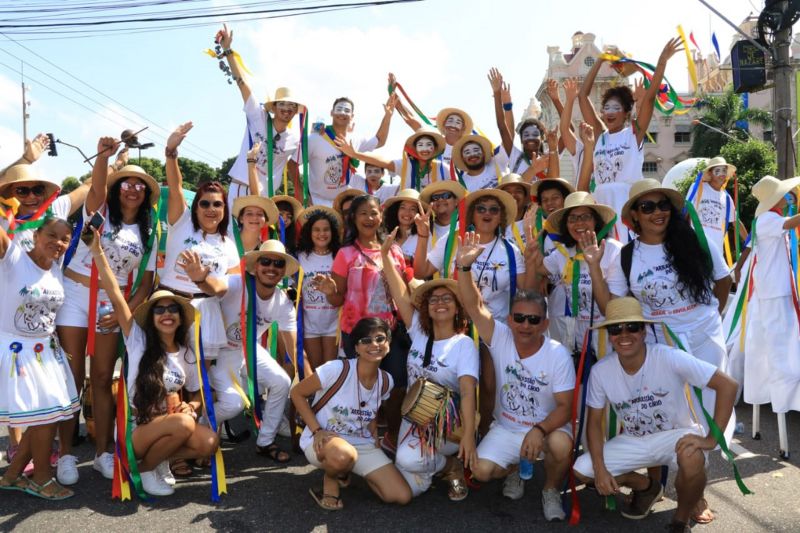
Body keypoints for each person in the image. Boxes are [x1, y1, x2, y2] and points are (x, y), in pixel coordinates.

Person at [584, 178, 733, 523]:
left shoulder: (696, 240)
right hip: (659, 341)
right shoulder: (627, 256)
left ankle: (693, 492)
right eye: (647, 207)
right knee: (665, 414)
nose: (657, 213)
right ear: (634, 215)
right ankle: (661, 485)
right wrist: (594, 268)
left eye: (662, 205)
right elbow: (613, 308)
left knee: (702, 414)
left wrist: (711, 314)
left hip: (702, 338)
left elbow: (723, 279)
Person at [573, 297, 737, 532]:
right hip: (634, 440)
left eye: (632, 327)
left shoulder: (668, 356)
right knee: (583, 470)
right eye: (616, 329)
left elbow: (728, 386)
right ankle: (646, 486)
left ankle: (679, 521)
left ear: (644, 331)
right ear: (609, 336)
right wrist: (600, 468)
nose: (624, 334)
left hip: (676, 435)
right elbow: (594, 423)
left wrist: (711, 439)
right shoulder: (601, 371)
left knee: (692, 458)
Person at [56, 137, 159, 485]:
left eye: (140, 185)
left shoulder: (149, 231)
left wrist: (124, 312)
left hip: (109, 303)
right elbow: (97, 185)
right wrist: (103, 157)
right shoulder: (98, 210)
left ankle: (101, 452)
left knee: (102, 378)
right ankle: (67, 452)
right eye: (126, 183)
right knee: (72, 376)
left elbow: (145, 283)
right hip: (72, 294)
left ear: (146, 194)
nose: (132, 189)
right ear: (118, 188)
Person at [88, 231, 220, 496]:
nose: (167, 314)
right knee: (183, 425)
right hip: (136, 430)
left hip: (170, 425)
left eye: (173, 309)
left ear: (181, 317)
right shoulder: (137, 340)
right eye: (159, 309)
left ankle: (157, 461)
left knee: (209, 442)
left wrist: (191, 406)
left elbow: (199, 393)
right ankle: (146, 469)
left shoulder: (186, 353)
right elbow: (114, 293)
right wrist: (97, 252)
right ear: (151, 317)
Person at [456, 231, 574, 521]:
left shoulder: (557, 353)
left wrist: (540, 430)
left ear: (545, 323)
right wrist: (464, 268)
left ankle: (549, 489)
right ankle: (515, 469)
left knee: (560, 444)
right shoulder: (500, 336)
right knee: (481, 471)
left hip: (546, 430)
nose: (525, 325)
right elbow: (475, 306)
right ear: (509, 320)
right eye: (519, 318)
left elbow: (565, 408)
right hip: (507, 428)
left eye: (534, 320)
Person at [381, 230, 478, 501]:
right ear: (427, 308)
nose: (439, 303)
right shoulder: (419, 333)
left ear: (458, 307)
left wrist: (469, 435)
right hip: (416, 417)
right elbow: (400, 292)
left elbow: (468, 393)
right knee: (410, 488)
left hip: (449, 424)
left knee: (408, 461)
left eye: (447, 298)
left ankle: (450, 462)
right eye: (433, 299)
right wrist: (385, 256)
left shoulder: (464, 345)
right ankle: (441, 469)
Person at [313, 194, 410, 454]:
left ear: (381, 217)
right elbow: (336, 300)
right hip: (356, 333)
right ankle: (364, 439)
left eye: (374, 212)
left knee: (397, 383)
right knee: (362, 387)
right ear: (353, 219)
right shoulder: (345, 254)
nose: (369, 218)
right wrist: (329, 290)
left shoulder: (395, 250)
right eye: (363, 213)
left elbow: (403, 292)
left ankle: (391, 434)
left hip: (390, 332)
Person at [191, 240, 298, 462]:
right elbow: (214, 287)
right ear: (255, 266)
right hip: (218, 353)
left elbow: (292, 346)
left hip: (247, 351)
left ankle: (266, 441)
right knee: (233, 404)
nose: (271, 267)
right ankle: (199, 431)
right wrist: (201, 278)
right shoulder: (237, 283)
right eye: (265, 261)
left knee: (281, 381)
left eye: (278, 264)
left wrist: (308, 379)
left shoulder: (282, 303)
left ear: (283, 272)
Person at [291, 317, 412, 510]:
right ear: (355, 347)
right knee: (343, 456)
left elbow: (371, 408)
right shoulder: (336, 369)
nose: (374, 344)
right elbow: (296, 393)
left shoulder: (386, 380)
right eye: (366, 340)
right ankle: (330, 481)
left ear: (388, 344)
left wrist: (374, 434)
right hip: (324, 439)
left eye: (380, 339)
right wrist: (316, 431)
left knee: (401, 495)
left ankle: (348, 470)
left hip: (360, 442)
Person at [0, 217, 79, 500]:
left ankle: (12, 475)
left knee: (46, 416)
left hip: (46, 351)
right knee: (44, 418)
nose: (57, 242)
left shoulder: (56, 269)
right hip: (16, 352)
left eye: (64, 239)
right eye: (51, 235)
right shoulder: (12, 257)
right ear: (36, 235)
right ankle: (42, 479)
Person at [578, 37, 682, 241]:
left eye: (616, 108)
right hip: (601, 202)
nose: (609, 112)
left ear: (626, 112)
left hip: (626, 202)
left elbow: (650, 98)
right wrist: (599, 61)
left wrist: (662, 61)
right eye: (606, 108)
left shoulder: (633, 134)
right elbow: (582, 96)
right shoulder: (600, 135)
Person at [160, 122, 239, 362]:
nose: (211, 209)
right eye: (204, 203)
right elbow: (175, 188)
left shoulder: (229, 245)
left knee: (201, 378)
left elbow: (227, 286)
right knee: (166, 373)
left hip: (206, 312)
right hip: (169, 304)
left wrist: (202, 279)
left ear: (225, 210)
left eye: (217, 204)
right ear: (195, 208)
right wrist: (171, 153)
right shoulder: (181, 222)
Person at [216, 24, 304, 205]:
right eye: (282, 104)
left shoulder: (295, 140)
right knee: (234, 234)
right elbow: (242, 83)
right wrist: (228, 50)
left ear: (296, 111)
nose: (286, 109)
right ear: (273, 107)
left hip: (265, 197)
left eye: (291, 106)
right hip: (241, 187)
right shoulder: (258, 116)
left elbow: (300, 163)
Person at [529, 192, 620, 355]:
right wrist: (532, 240)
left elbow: (609, 310)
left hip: (608, 335)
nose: (579, 223)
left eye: (585, 217)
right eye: (572, 218)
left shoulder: (613, 250)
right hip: (578, 335)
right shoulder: (563, 253)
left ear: (596, 221)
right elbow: (540, 268)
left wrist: (594, 266)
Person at [742, 176, 800, 414]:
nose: (789, 197)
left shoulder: (771, 218)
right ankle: (782, 400)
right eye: (785, 194)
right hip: (773, 294)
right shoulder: (766, 219)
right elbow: (790, 224)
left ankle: (787, 397)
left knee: (785, 346)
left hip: (779, 291)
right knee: (780, 350)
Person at [307, 95, 394, 206]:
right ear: (331, 113)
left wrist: (388, 116)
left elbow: (380, 141)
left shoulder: (355, 139)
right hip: (317, 202)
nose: (342, 113)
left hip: (343, 203)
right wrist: (304, 196)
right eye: (339, 109)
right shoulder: (315, 138)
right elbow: (293, 164)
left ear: (352, 116)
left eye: (347, 110)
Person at [488, 68, 559, 181]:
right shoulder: (515, 156)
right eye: (526, 135)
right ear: (521, 140)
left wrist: (557, 100)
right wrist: (501, 98)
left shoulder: (550, 155)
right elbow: (503, 127)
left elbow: (567, 132)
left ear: (542, 138)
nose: (530, 138)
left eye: (535, 134)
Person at [296, 206, 343, 369]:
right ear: (309, 232)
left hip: (333, 324)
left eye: (326, 230)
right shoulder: (300, 257)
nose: (321, 234)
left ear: (333, 232)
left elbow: (342, 296)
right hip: (309, 324)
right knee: (316, 371)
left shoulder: (339, 256)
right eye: (316, 230)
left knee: (330, 370)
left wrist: (330, 291)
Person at [335, 126, 446, 192]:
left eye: (428, 145)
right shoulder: (406, 165)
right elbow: (382, 161)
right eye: (420, 145)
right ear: (414, 149)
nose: (424, 149)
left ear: (435, 148)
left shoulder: (443, 168)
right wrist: (355, 154)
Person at [686, 156, 746, 258]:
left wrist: (750, 241)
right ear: (710, 173)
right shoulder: (698, 187)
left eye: (724, 170)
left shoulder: (726, 198)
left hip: (717, 250)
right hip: (697, 247)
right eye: (717, 170)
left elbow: (736, 222)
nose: (722, 174)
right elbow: (687, 211)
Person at [381, 189, 426, 265]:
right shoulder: (385, 233)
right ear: (396, 210)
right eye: (403, 207)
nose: (407, 213)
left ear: (419, 213)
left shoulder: (424, 236)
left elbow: (425, 265)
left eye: (413, 209)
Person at [419, 180, 467, 244]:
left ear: (456, 201)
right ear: (431, 205)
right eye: (435, 197)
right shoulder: (425, 227)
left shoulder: (467, 226)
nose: (440, 199)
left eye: (446, 196)